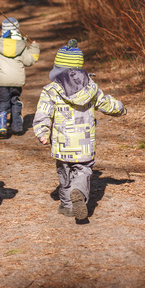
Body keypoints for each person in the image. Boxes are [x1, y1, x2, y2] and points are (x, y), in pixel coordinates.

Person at [32, 39, 126, 220]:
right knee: (82, 171)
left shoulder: (51, 90)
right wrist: (120, 108)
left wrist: (42, 132)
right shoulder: (91, 88)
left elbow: (43, 113)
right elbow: (106, 103)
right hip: (84, 145)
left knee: (64, 172)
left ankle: (67, 205)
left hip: (61, 144)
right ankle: (79, 192)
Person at [0, 17, 40, 139]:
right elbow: (30, 60)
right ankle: (17, 126)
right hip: (16, 82)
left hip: (1, 82)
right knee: (15, 100)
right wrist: (35, 48)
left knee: (3, 102)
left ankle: (3, 125)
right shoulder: (22, 46)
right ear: (17, 31)